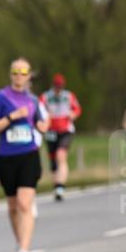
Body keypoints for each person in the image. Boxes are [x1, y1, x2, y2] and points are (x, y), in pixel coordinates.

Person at [0, 58, 49, 252]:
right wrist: (12, 117)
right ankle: (20, 242)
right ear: (10, 74)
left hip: (28, 155)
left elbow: (41, 123)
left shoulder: (33, 100)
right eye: (15, 72)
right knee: (13, 206)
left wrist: (42, 126)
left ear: (29, 76)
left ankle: (23, 250)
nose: (19, 76)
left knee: (24, 204)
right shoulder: (0, 97)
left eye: (23, 72)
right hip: (7, 156)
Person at [39, 73, 82, 201]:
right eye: (57, 87)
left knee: (60, 155)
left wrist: (73, 114)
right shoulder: (45, 97)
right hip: (51, 131)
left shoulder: (69, 96)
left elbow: (77, 109)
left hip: (66, 130)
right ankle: (56, 186)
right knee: (53, 161)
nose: (59, 89)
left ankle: (60, 187)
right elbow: (38, 111)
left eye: (61, 87)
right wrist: (46, 116)